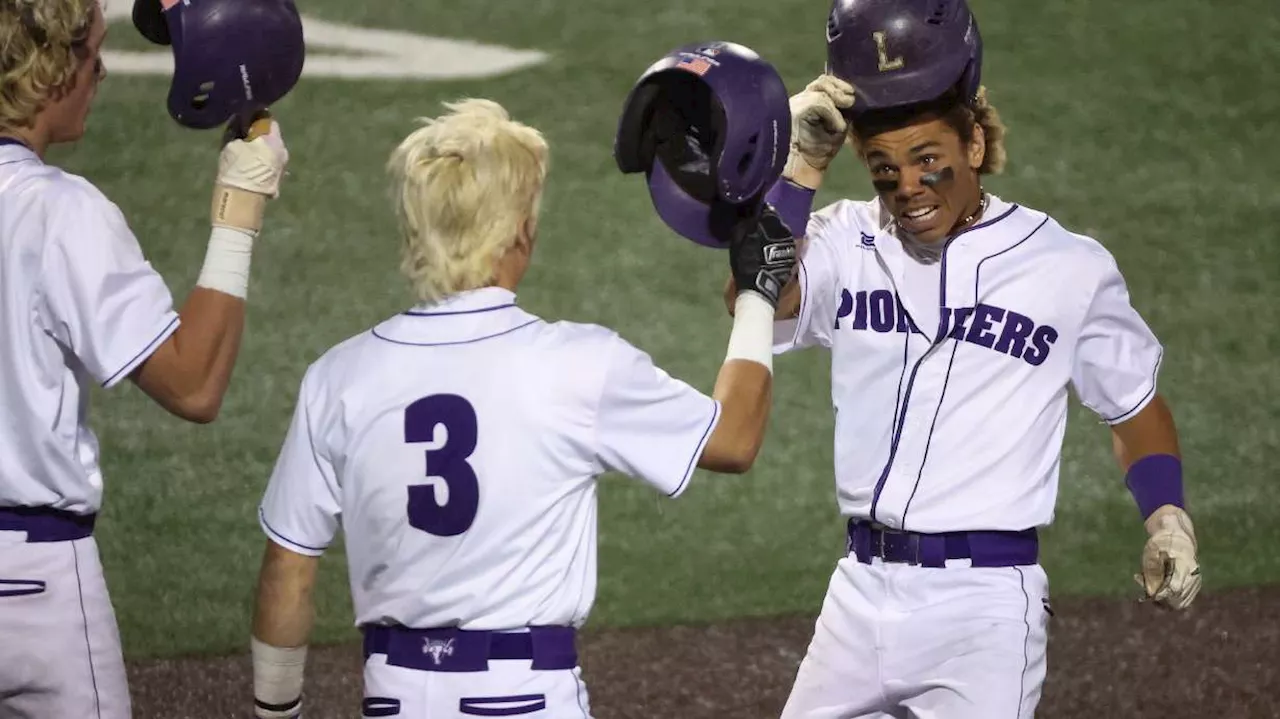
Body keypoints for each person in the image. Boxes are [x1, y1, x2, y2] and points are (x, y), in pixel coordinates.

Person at [721, 1, 1203, 716]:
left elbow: (1132, 403)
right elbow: (755, 297)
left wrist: (1167, 516)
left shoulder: (1065, 267)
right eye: (885, 171)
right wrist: (799, 172)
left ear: (973, 144)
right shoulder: (846, 240)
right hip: (859, 592)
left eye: (929, 164)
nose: (908, 190)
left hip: (984, 608)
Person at [246, 98, 795, 719]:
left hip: (392, 698)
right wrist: (756, 297)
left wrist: (276, 710)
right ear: (519, 232)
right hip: (524, 698)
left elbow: (287, 570)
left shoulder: (337, 376)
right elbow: (734, 439)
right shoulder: (580, 364)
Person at [0, 0, 289, 716]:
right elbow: (193, 383)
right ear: (49, 70)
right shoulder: (55, 211)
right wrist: (240, 208)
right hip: (32, 585)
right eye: (92, 53)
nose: (100, 70)